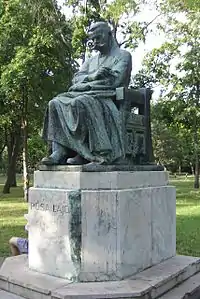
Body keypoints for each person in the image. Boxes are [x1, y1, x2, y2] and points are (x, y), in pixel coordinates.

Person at [41, 21, 132, 166]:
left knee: (81, 102)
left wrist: (85, 85)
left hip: (106, 98)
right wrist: (92, 76)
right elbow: (76, 79)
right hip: (84, 93)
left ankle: (92, 154)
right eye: (93, 39)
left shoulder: (123, 56)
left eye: (98, 38)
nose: (95, 42)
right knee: (55, 103)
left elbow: (115, 81)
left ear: (109, 34)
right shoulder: (91, 61)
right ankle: (60, 151)